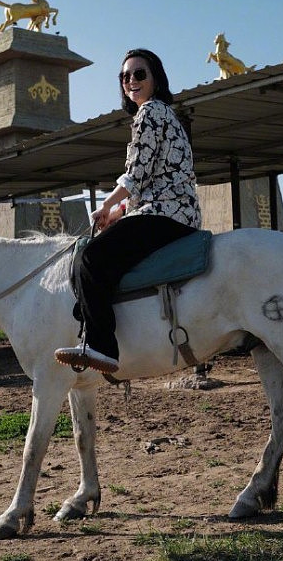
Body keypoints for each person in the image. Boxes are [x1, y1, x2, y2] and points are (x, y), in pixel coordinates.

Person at [55, 48, 201, 374]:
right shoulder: (165, 114)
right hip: (173, 212)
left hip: (166, 214)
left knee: (91, 258)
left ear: (155, 79)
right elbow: (151, 180)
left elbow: (137, 174)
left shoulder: (150, 112)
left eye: (139, 74)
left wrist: (106, 205)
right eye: (125, 76)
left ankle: (102, 348)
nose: (130, 81)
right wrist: (119, 212)